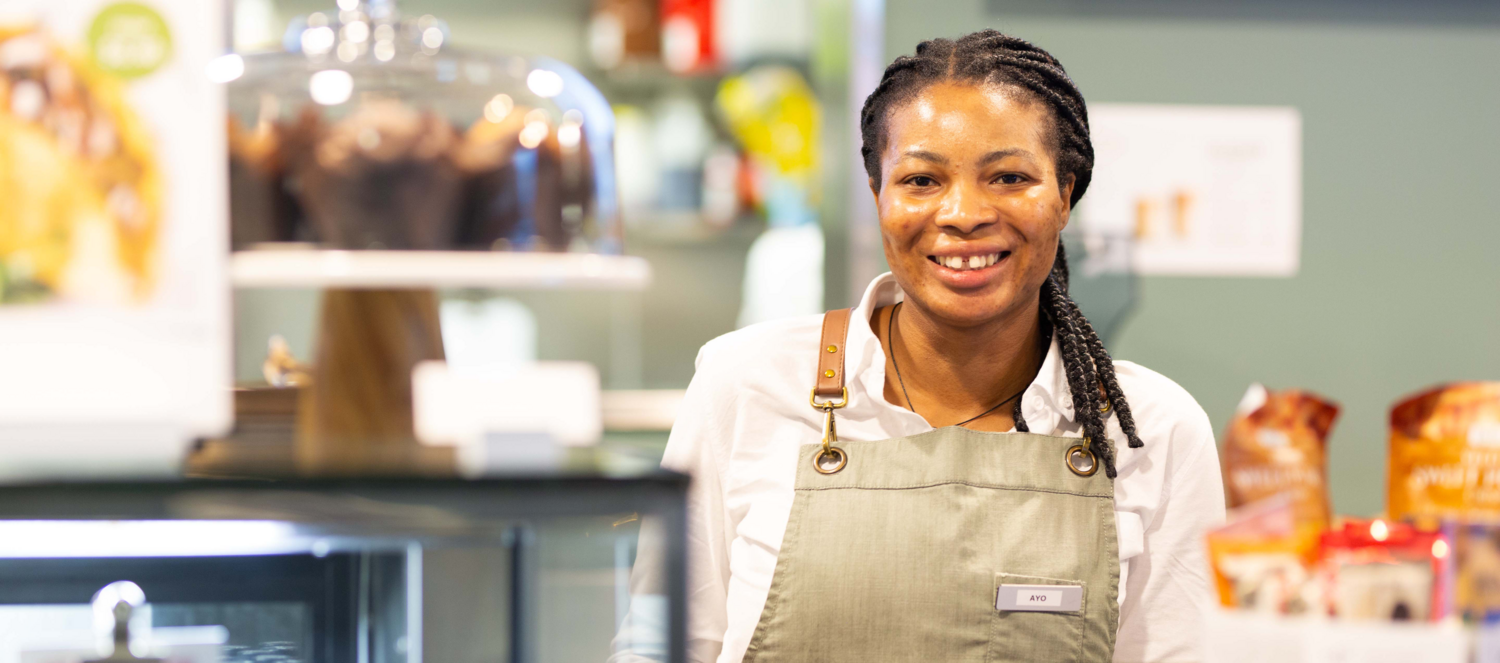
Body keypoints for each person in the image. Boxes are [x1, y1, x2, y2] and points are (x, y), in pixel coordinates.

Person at [654, 30, 1224, 663]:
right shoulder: (745, 383)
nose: (963, 213)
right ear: (878, 198)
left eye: (1009, 176)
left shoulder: (1150, 430)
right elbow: (662, 644)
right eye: (922, 180)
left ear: (1065, 196)